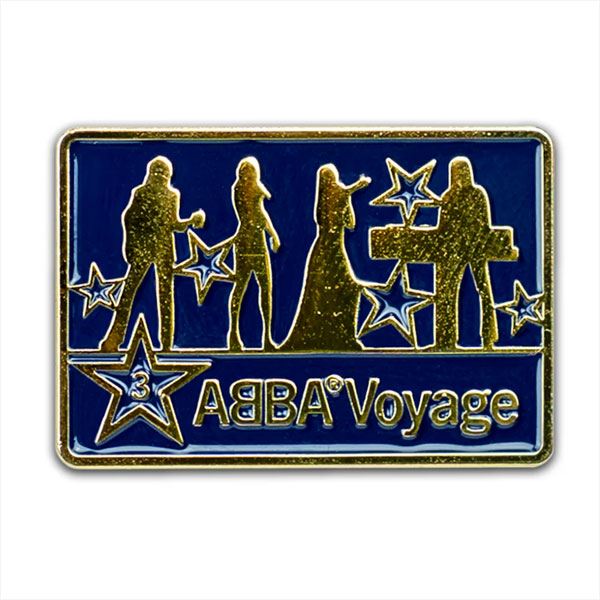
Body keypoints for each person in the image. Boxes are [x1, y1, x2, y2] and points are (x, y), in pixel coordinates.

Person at [100, 156, 205, 352]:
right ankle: (119, 340)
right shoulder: (143, 193)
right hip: (147, 249)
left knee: (154, 295)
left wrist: (191, 221)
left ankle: (164, 344)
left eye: (162, 173)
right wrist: (131, 245)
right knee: (142, 294)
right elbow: (130, 218)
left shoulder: (170, 195)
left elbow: (172, 224)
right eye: (159, 172)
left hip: (158, 250)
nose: (160, 176)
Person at [282, 164, 370, 351]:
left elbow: (350, 223)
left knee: (339, 290)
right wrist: (356, 188)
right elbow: (350, 222)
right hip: (331, 251)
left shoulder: (327, 198)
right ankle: (339, 336)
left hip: (323, 251)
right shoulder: (335, 194)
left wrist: (349, 196)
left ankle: (336, 335)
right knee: (347, 289)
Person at [434, 157, 499, 350]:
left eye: (462, 171)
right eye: (457, 172)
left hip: (475, 250)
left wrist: (474, 243)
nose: (460, 176)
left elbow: (484, 225)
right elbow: (443, 228)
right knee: (448, 292)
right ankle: (447, 340)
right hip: (457, 251)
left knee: (484, 291)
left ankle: (488, 338)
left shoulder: (477, 194)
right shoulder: (448, 196)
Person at [227, 157, 280, 351]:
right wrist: (272, 234)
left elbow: (260, 213)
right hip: (251, 242)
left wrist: (272, 234)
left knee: (256, 288)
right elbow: (257, 214)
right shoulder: (246, 189)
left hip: (252, 241)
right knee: (249, 288)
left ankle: (263, 337)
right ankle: (237, 335)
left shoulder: (244, 188)